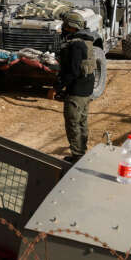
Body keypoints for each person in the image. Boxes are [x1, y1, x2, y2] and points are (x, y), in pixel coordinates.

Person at [47, 10, 98, 163]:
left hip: (77, 90)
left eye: (65, 26)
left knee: (73, 123)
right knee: (82, 121)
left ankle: (77, 156)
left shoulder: (75, 45)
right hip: (86, 88)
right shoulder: (86, 41)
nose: (63, 28)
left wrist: (56, 88)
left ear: (72, 27)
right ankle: (81, 152)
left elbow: (72, 71)